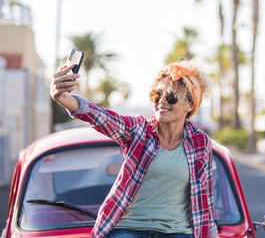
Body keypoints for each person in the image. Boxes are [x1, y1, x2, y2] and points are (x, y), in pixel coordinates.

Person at [49, 61, 219, 238]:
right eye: (157, 94)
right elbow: (100, 116)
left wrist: (212, 234)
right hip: (129, 228)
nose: (161, 101)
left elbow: (204, 197)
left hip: (176, 232)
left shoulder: (200, 142)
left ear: (190, 105)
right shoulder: (138, 130)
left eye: (171, 96)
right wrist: (61, 96)